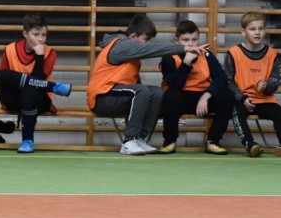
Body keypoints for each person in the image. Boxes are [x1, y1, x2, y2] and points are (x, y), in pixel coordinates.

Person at [87, 14, 208, 155]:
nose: (147, 43)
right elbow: (151, 50)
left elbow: (133, 85)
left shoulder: (132, 57)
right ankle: (129, 141)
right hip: (101, 97)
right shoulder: (120, 45)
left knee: (155, 93)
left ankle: (138, 138)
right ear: (133, 37)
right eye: (146, 39)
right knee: (141, 91)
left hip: (119, 95)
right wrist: (184, 49)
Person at [223, 11, 281, 158]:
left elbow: (275, 81)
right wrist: (242, 98)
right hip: (243, 100)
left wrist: (267, 86)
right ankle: (250, 144)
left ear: (265, 31)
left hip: (264, 99)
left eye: (261, 29)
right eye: (252, 29)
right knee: (236, 111)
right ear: (243, 32)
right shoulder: (233, 53)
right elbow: (228, 81)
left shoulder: (272, 53)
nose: (257, 33)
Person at [0, 12, 72, 154]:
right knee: (2, 75)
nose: (41, 39)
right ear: (25, 33)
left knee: (30, 91)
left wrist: (39, 55)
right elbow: (4, 81)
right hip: (13, 98)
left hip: (39, 99)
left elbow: (38, 80)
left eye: (44, 35)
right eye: (36, 34)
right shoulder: (10, 49)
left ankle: (27, 141)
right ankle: (54, 87)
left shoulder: (50, 53)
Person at [157, 20, 234, 155]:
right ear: (176, 41)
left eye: (194, 40)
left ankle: (213, 141)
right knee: (170, 95)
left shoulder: (207, 55)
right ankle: (169, 142)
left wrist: (207, 95)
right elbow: (175, 84)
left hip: (202, 98)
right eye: (185, 40)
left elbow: (221, 79)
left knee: (227, 95)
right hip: (181, 98)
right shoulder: (169, 57)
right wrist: (186, 62)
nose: (191, 44)